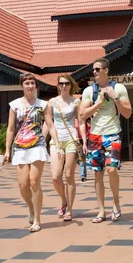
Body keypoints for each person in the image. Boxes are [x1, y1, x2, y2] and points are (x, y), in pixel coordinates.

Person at [4, 73, 62, 232]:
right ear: (22, 86)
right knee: (23, 185)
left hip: (37, 145)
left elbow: (50, 126)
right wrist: (7, 150)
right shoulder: (14, 105)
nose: (29, 86)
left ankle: (37, 219)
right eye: (26, 83)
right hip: (20, 147)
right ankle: (30, 206)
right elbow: (10, 129)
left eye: (32, 83)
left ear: (35, 86)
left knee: (34, 181)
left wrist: (57, 145)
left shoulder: (43, 105)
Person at [80, 58, 131, 223]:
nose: (94, 72)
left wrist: (115, 98)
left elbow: (128, 113)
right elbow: (82, 115)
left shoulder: (119, 88)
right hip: (95, 136)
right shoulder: (89, 91)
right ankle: (101, 211)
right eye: (93, 70)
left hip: (113, 134)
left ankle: (116, 203)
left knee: (112, 170)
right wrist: (99, 102)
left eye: (97, 69)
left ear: (106, 70)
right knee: (98, 174)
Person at [44, 75, 87, 222]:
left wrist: (84, 142)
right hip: (56, 141)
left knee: (69, 175)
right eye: (61, 83)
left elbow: (81, 123)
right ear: (58, 85)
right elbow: (49, 125)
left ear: (71, 85)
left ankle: (70, 210)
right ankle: (64, 200)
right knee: (56, 177)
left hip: (71, 140)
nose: (64, 86)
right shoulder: (52, 102)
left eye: (66, 83)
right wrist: (48, 142)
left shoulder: (76, 101)